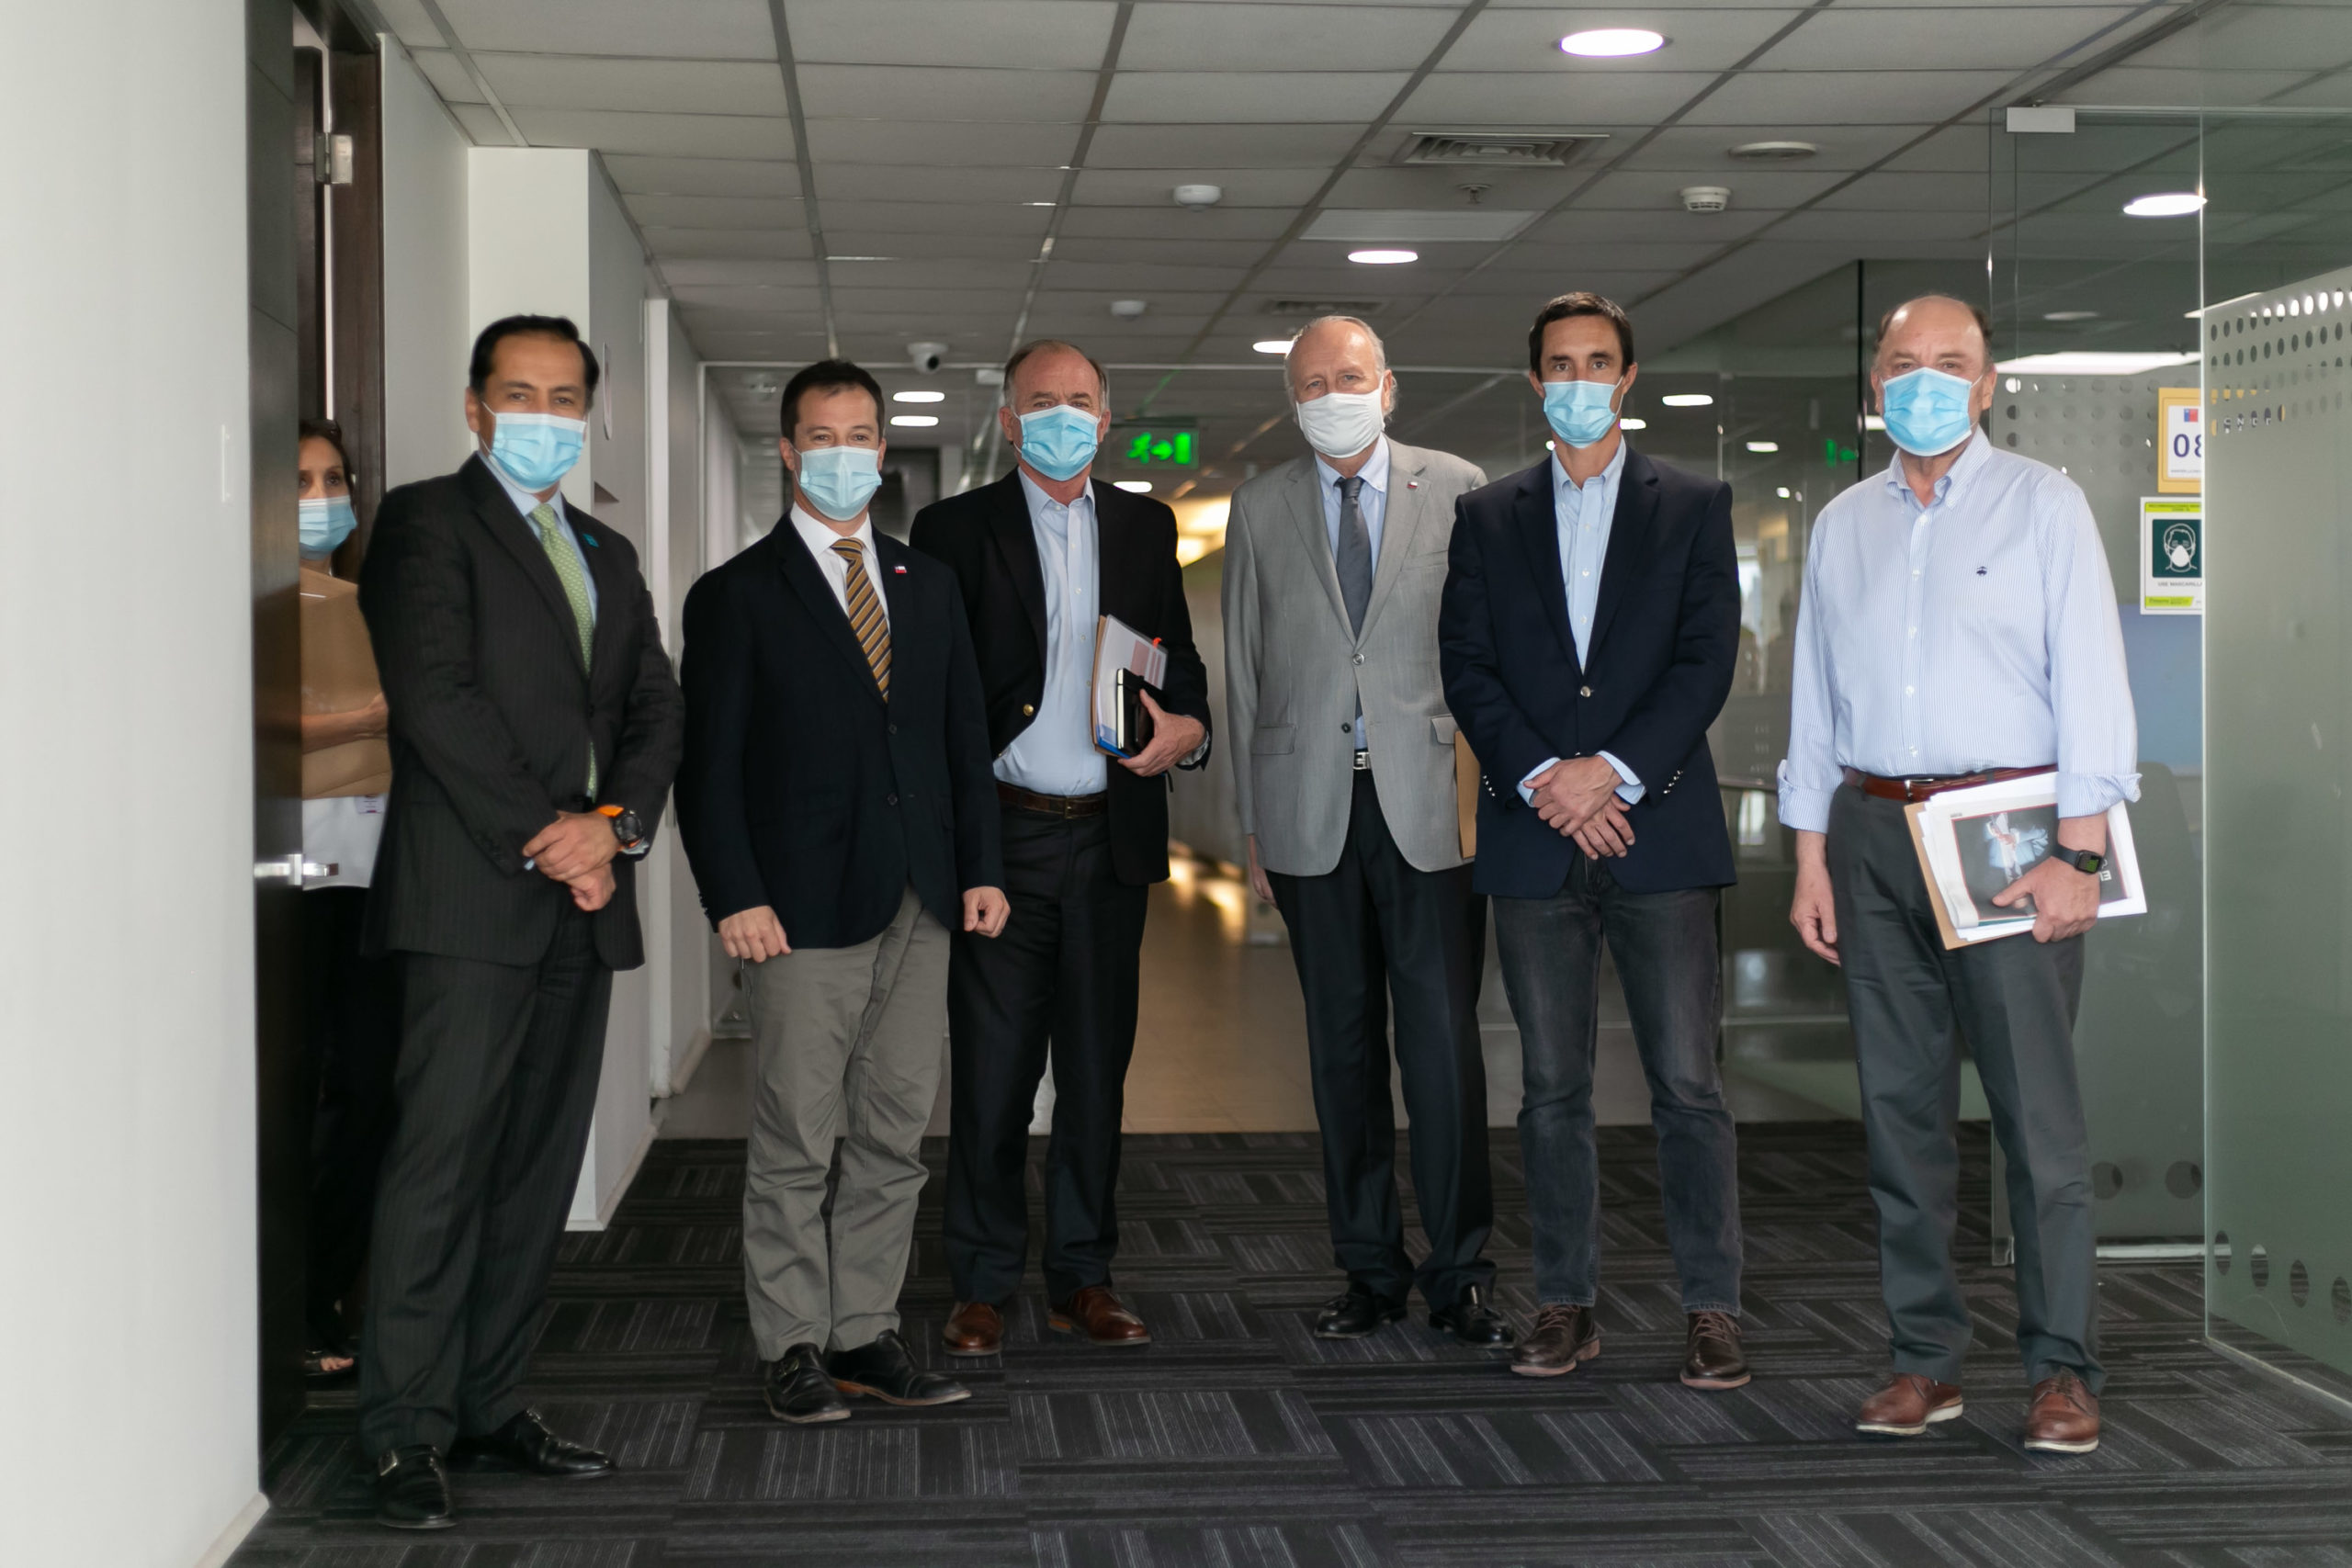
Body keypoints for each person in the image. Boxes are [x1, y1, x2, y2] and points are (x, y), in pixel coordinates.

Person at [1781, 294, 2136, 1455]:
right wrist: (1810, 857)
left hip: (2007, 837)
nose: (1923, 381)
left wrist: (2078, 852)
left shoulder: (2042, 504)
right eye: (1902, 363)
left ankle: (2061, 1371)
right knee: (1900, 1119)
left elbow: (2091, 680)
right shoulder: (1842, 523)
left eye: (1949, 363)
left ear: (1986, 386)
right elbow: (1814, 701)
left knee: (2036, 1123)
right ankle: (1924, 1361)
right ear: (1874, 386)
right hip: (1872, 827)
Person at [356, 314, 685, 1529]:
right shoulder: (426, 523)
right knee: (440, 1165)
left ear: (585, 412)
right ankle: (402, 1428)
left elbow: (655, 704)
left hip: (581, 902)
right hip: (472, 899)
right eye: (519, 393)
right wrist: (555, 834)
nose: (543, 416)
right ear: (475, 406)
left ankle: (488, 1403)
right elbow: (436, 698)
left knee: (536, 1167)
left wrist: (617, 826)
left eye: (562, 398)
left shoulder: (606, 546)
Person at [675, 358, 1009, 1426]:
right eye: (821, 437)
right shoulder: (736, 594)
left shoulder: (927, 584)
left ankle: (864, 1331)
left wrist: (981, 868)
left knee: (894, 1131)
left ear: (880, 448)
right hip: (796, 906)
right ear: (788, 451)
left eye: (860, 435)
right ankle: (792, 1343)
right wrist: (733, 893)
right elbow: (708, 768)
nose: (843, 454)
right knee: (795, 1134)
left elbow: (961, 739)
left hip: (924, 895)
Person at [1439, 292, 1748, 1389]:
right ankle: (1565, 1302)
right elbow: (1466, 665)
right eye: (1560, 364)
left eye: (1598, 362)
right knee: (1551, 1089)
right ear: (1536, 382)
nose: (1579, 380)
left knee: (1688, 1085)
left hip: (1657, 832)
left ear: (1628, 377)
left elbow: (1706, 660)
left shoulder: (1694, 505)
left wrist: (1608, 772)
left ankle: (1711, 1309)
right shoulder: (1488, 515)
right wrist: (1544, 781)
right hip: (1534, 840)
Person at [909, 339, 1212, 1357]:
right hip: (1004, 837)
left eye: (1081, 400)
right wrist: (958, 850)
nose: (1063, 416)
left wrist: (1188, 727)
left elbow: (1179, 663)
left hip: (1109, 841)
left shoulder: (1145, 526)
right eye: (1042, 402)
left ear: (1106, 416)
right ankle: (982, 1281)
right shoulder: (954, 529)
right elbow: (936, 694)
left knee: (1094, 1074)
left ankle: (1084, 1273)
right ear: (1008, 421)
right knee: (993, 1074)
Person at [1221, 316, 1507, 1348]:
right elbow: (1245, 672)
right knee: (1339, 1051)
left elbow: (1488, 652)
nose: (1330, 395)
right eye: (1310, 382)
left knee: (1441, 1050)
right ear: (1291, 400)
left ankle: (1459, 1271)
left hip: (1431, 810)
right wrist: (1252, 828)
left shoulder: (1460, 486)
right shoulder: (1259, 507)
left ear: (1387, 388)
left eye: (1349, 377)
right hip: (1309, 814)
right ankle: (1369, 1269)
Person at [294, 418, 399, 1382]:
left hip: (374, 880)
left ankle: (327, 1298)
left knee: (367, 1095)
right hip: (284, 887)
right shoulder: (240, 609)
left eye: (335, 479)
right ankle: (291, 1310)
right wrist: (370, 717)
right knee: (293, 1098)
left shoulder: (372, 606)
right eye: (300, 481)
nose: (322, 500)